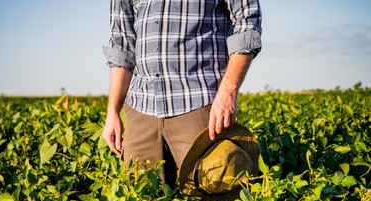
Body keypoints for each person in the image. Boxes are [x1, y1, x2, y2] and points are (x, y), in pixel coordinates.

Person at [102, 0, 262, 186]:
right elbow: (122, 43)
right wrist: (113, 110)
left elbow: (248, 22)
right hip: (141, 108)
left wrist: (227, 92)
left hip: (199, 103)